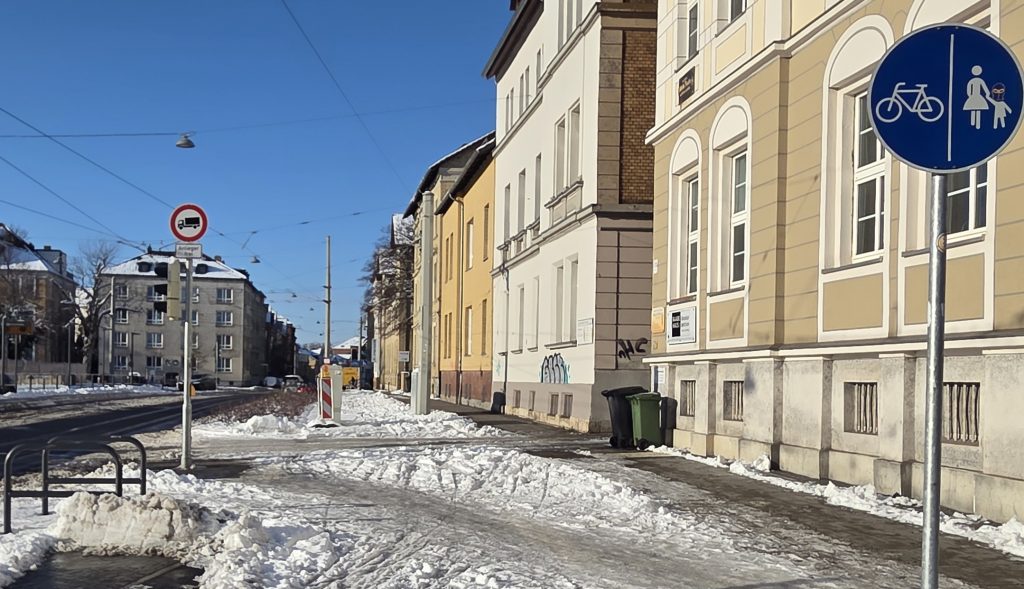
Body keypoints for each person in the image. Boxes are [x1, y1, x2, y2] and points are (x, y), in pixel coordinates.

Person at [965, 65, 991, 129]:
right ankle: (976, 124)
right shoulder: (979, 80)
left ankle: (974, 123)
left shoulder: (972, 81)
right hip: (977, 97)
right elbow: (985, 88)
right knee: (977, 109)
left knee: (975, 109)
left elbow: (968, 89)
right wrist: (987, 93)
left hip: (974, 96)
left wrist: (970, 95)